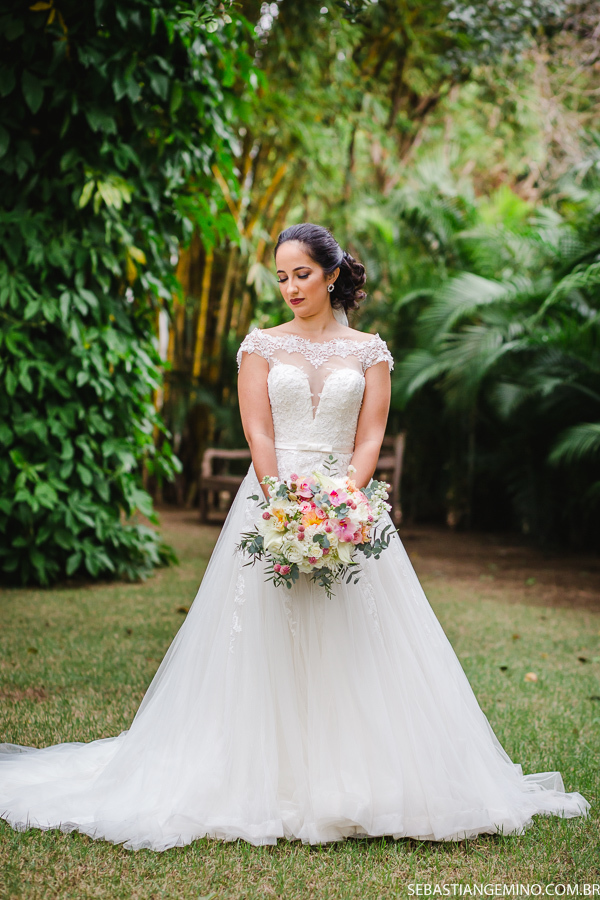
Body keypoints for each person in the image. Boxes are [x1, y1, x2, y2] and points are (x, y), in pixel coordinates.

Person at [0, 223, 590, 851]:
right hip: (270, 499)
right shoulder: (260, 346)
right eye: (280, 277)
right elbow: (257, 431)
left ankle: (358, 775)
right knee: (260, 633)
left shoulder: (369, 352)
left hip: (348, 501)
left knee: (357, 635)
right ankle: (254, 772)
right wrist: (283, 503)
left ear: (332, 274)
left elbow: (370, 437)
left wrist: (342, 502)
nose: (289, 288)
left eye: (301, 275)